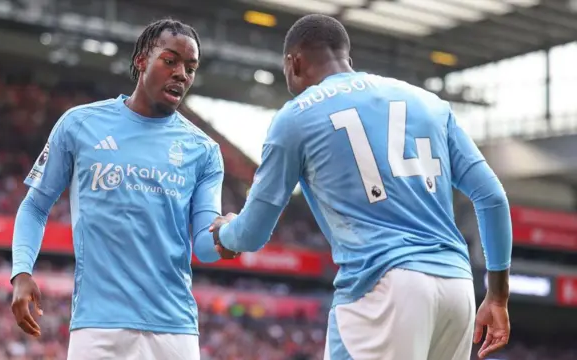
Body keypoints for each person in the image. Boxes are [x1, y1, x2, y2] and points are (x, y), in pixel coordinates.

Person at [210, 14, 512, 360]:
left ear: (292, 63)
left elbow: (252, 234)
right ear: (346, 59)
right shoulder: (429, 103)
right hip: (457, 287)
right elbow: (492, 197)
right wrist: (498, 296)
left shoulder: (295, 118)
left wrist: (224, 233)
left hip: (382, 287)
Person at [10, 18, 238, 360]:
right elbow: (35, 206)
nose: (182, 74)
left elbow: (204, 247)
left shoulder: (203, 150)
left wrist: (231, 235)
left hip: (174, 330)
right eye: (171, 60)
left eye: (191, 68)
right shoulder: (79, 125)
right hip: (97, 326)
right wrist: (21, 272)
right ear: (142, 59)